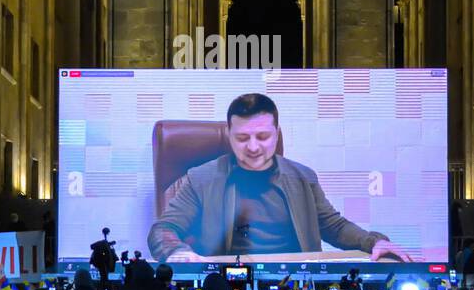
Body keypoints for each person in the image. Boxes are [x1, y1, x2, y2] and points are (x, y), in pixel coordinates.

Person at [148, 93, 412, 264]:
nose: (253, 147)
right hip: (229, 284)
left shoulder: (302, 178)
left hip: (295, 282)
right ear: (229, 135)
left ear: (277, 133)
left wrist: (374, 242)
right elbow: (163, 230)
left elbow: (334, 226)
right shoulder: (201, 179)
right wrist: (177, 251)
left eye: (262, 137)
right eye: (242, 138)